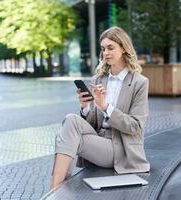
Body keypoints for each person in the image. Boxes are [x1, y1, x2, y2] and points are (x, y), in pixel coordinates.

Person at [50, 26, 150, 189]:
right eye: (103, 49)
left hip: (120, 148)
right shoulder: (99, 79)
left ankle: (54, 191)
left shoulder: (139, 82)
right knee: (71, 120)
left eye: (111, 48)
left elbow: (135, 127)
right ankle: (56, 190)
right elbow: (93, 124)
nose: (106, 53)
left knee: (65, 139)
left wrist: (105, 106)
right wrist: (86, 108)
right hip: (98, 139)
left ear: (124, 48)